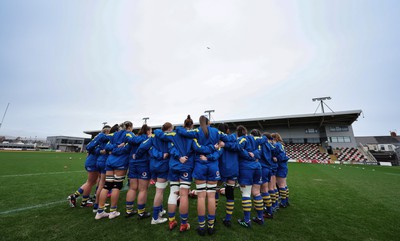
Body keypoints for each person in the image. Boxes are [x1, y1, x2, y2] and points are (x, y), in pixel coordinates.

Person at [155, 115, 217, 232]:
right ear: (192, 125)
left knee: (173, 193)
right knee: (183, 194)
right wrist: (213, 148)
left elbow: (160, 135)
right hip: (186, 167)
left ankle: (171, 221)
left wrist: (178, 156)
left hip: (173, 166)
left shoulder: (173, 134)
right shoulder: (193, 136)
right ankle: (183, 223)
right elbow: (199, 149)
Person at [176, 115, 229, 236]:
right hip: (213, 167)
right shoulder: (217, 131)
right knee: (211, 197)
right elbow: (228, 140)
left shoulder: (196, 131)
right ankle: (210, 227)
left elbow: (180, 131)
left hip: (200, 165)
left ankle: (201, 227)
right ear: (209, 122)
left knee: (201, 197)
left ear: (199, 123)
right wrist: (216, 148)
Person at [135, 122, 173, 224]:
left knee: (158, 189)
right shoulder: (169, 137)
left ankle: (160, 210)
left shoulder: (153, 136)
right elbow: (172, 150)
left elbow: (142, 147)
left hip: (153, 166)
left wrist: (137, 155)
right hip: (162, 166)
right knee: (159, 191)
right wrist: (163, 155)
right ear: (169, 129)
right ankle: (155, 218)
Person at [95, 121, 133, 220]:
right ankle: (113, 211)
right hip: (120, 163)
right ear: (129, 127)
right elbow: (127, 148)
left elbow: (107, 146)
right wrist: (118, 147)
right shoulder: (128, 134)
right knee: (116, 186)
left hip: (110, 162)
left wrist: (114, 148)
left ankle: (100, 211)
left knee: (106, 186)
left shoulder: (113, 135)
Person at [68, 125, 111, 208]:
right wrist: (101, 151)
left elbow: (90, 148)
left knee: (93, 181)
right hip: (93, 162)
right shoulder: (101, 138)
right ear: (107, 131)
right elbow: (90, 148)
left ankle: (80, 197)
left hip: (91, 161)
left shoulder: (97, 137)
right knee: (91, 182)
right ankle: (82, 200)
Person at [236, 126, 266, 228]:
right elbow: (259, 152)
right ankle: (260, 218)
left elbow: (238, 148)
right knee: (257, 192)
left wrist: (248, 154)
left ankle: (247, 220)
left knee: (246, 193)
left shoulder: (242, 139)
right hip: (257, 167)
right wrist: (253, 154)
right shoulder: (256, 140)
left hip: (246, 168)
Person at [125, 124, 153, 219]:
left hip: (132, 164)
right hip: (143, 164)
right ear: (148, 131)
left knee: (132, 188)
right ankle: (141, 212)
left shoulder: (134, 138)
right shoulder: (148, 139)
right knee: (143, 189)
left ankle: (129, 211)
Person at [217, 123, 240, 227]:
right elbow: (238, 148)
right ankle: (228, 219)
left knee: (215, 191)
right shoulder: (234, 138)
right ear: (227, 130)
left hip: (220, 169)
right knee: (230, 193)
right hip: (232, 169)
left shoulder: (217, 139)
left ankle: (212, 216)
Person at [92, 124, 119, 213]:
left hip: (99, 161)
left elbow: (95, 148)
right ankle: (97, 206)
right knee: (102, 184)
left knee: (100, 182)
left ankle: (97, 203)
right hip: (104, 162)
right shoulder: (107, 138)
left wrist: (100, 151)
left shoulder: (100, 138)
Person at [271, 133, 290, 208]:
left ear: (274, 138)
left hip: (280, 166)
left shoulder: (277, 145)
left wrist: (276, 159)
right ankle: (286, 201)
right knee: (284, 185)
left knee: (281, 185)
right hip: (284, 166)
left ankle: (283, 202)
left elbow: (282, 156)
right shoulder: (280, 144)